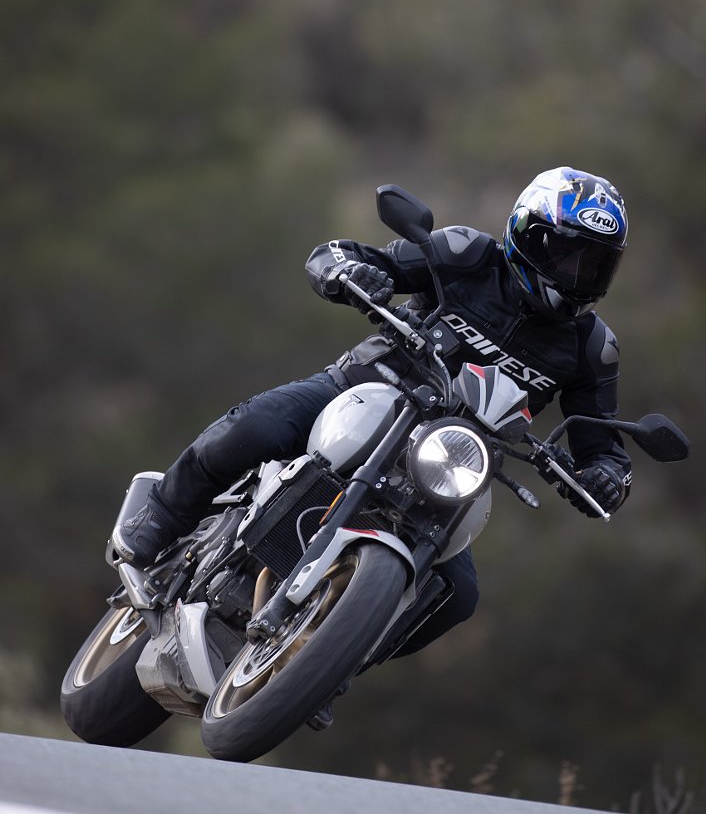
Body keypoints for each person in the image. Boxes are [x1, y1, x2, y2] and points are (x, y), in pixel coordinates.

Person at [113, 166, 631, 658]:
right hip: (367, 389)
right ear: (528, 233)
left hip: (449, 462)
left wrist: (606, 474)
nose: (576, 274)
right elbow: (345, 255)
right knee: (259, 425)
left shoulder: (591, 347)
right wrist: (349, 271)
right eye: (566, 254)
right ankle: (159, 516)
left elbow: (602, 443)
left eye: (595, 263)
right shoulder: (465, 254)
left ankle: (332, 659)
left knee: (459, 596)